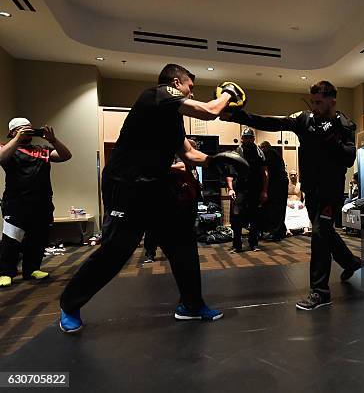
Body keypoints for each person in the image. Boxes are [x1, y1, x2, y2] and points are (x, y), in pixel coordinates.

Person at [58, 64, 247, 333]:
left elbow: (190, 155)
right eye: (189, 88)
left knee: (182, 242)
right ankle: (69, 304)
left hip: (156, 184)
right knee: (117, 249)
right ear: (174, 83)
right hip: (125, 184)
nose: (191, 94)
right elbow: (210, 111)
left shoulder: (173, 119)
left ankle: (191, 306)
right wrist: (228, 93)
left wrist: (218, 161)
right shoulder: (155, 95)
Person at [225, 80, 364, 310]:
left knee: (320, 234)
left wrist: (333, 142)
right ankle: (351, 262)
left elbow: (349, 157)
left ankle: (320, 292)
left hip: (330, 191)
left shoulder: (344, 124)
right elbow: (271, 122)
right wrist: (239, 116)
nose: (315, 106)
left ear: (332, 101)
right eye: (313, 102)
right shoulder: (304, 120)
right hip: (311, 189)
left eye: (319, 102)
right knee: (325, 232)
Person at [0, 118, 72, 287]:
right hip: (16, 203)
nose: (28, 132)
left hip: (42, 203)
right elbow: (1, 159)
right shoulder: (7, 148)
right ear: (12, 132)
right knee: (11, 240)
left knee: (38, 239)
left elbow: (66, 156)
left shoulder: (43, 150)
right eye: (23, 129)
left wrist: (53, 140)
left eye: (30, 129)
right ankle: (5, 272)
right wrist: (17, 139)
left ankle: (31, 269)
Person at [142, 140, 201, 264]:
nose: (194, 151)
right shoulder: (176, 158)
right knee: (154, 227)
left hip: (188, 200)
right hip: (167, 199)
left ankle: (181, 252)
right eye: (192, 148)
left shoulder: (192, 164)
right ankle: (149, 253)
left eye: (195, 148)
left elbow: (191, 177)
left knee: (185, 229)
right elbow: (181, 167)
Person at [225, 128, 268, 252]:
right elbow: (229, 174)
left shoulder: (259, 153)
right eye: (246, 137)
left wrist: (264, 190)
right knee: (237, 218)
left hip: (255, 189)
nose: (248, 139)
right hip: (240, 190)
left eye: (250, 137)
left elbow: (264, 172)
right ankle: (236, 245)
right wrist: (230, 189)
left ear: (254, 139)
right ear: (242, 138)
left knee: (255, 218)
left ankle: (253, 244)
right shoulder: (236, 154)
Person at [260, 141, 288, 241]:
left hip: (278, 185)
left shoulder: (269, 154)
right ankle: (280, 230)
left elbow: (267, 170)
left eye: (261, 148)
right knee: (280, 209)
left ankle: (276, 233)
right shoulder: (275, 153)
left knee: (275, 209)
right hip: (282, 183)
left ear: (264, 147)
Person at [285, 170, 311, 236]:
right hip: (289, 203)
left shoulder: (300, 185)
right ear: (289, 175)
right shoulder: (286, 185)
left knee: (304, 211)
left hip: (299, 203)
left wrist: (303, 204)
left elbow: (306, 196)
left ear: (297, 175)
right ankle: (287, 230)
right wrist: (288, 204)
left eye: (294, 174)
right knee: (286, 212)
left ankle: (306, 229)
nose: (293, 176)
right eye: (291, 175)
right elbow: (283, 197)